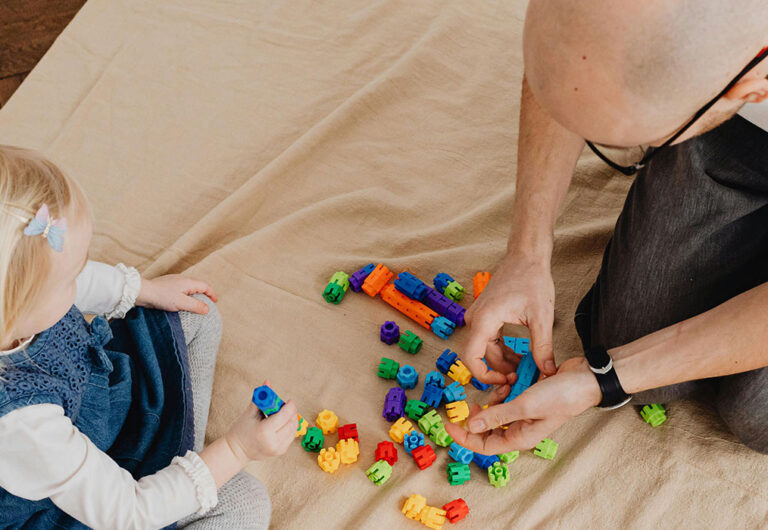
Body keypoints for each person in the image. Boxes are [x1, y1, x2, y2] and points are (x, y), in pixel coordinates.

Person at [445, 0, 768, 454]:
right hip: (742, 128)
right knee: (633, 345)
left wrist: (604, 380)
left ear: (749, 89)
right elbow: (568, 59)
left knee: (755, 411)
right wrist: (527, 253)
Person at [0, 145, 297, 529]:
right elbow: (129, 513)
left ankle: (178, 457)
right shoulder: (22, 424)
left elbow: (77, 276)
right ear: (15, 309)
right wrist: (236, 449)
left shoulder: (20, 306)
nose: (79, 281)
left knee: (196, 313)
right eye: (68, 281)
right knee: (243, 502)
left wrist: (143, 289)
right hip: (81, 504)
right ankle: (177, 477)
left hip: (102, 407)